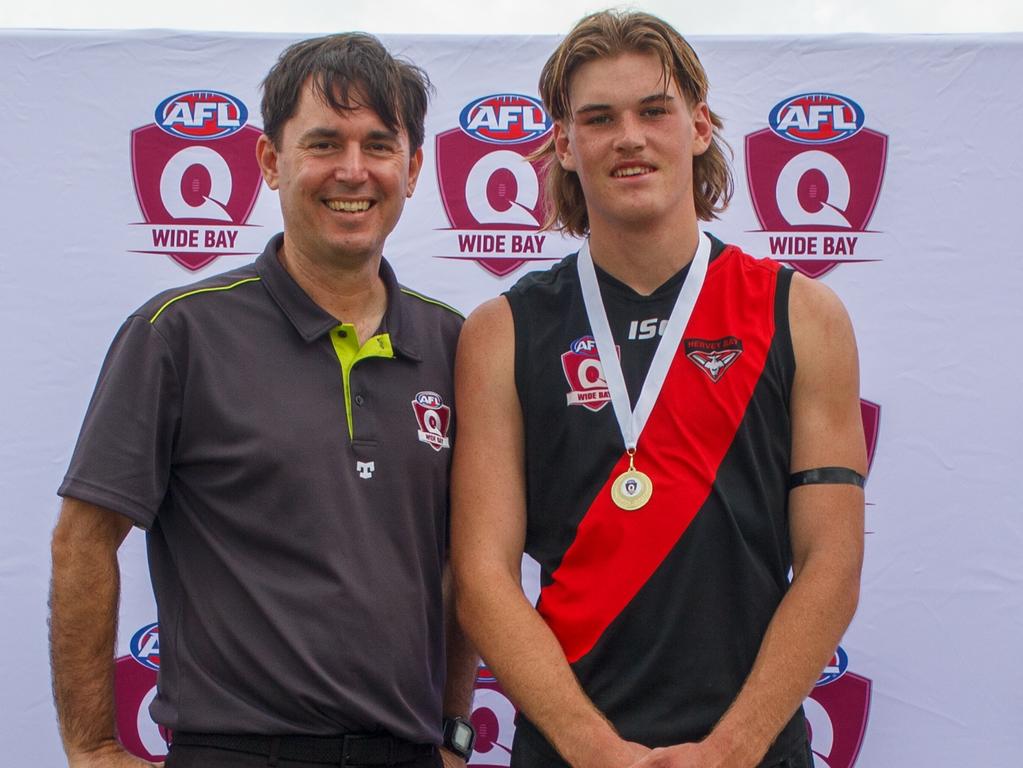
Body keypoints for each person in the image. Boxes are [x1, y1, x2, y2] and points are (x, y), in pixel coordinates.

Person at [451, 10, 865, 768]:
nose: (628, 138)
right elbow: (481, 575)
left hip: (751, 753)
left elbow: (831, 562)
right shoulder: (501, 330)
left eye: (653, 110)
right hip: (567, 752)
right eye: (598, 119)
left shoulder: (801, 313)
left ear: (699, 126)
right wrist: (592, 748)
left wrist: (731, 749)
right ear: (564, 146)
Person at [50, 33, 477, 768]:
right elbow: (83, 540)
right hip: (237, 750)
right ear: (271, 162)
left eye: (379, 145)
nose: (353, 171)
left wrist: (455, 734)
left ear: (412, 168)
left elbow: (469, 567)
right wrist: (91, 746)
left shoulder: (456, 344)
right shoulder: (177, 333)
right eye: (323, 143)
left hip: (406, 753)